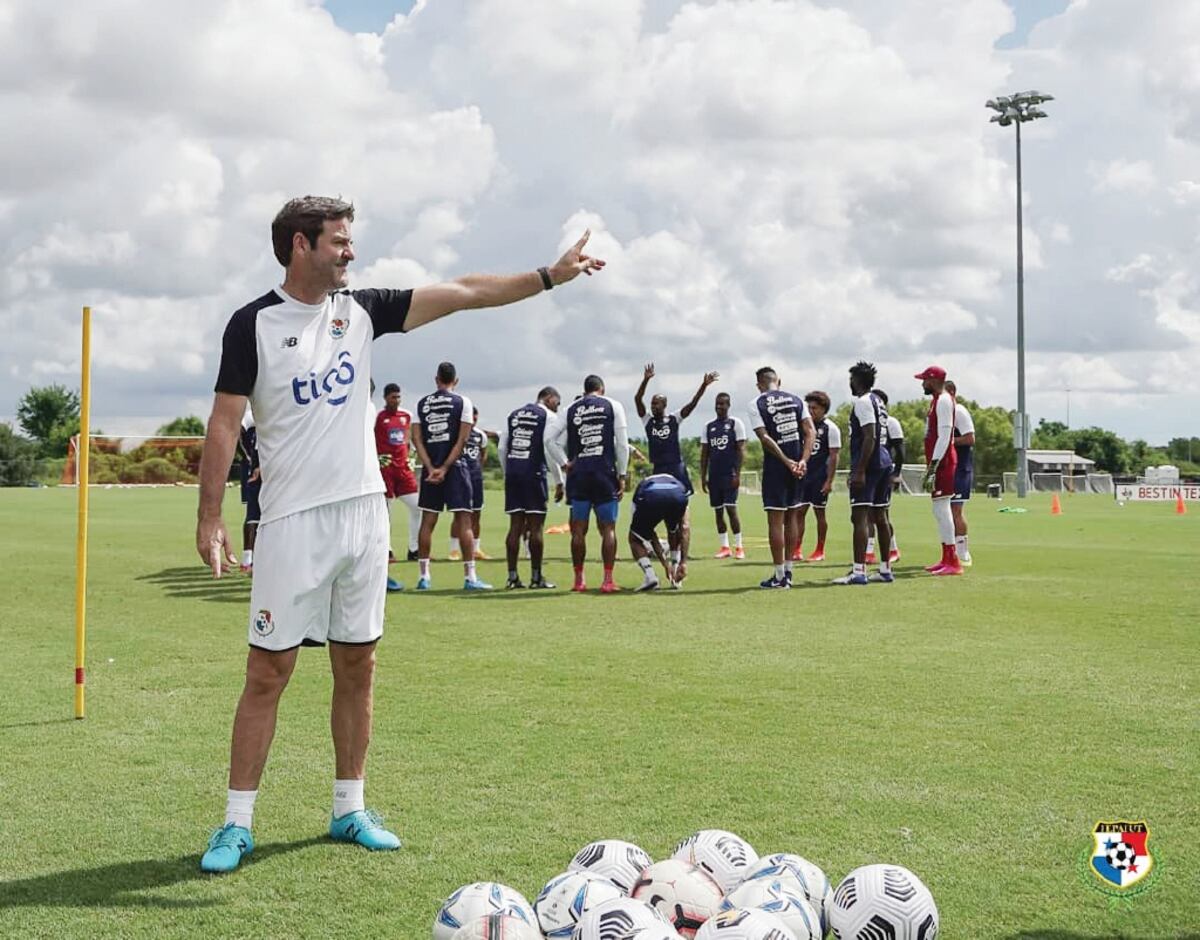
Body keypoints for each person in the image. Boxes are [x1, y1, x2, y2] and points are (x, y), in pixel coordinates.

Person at [194, 195, 604, 873]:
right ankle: (236, 824)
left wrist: (550, 276)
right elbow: (222, 423)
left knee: (359, 665)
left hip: (363, 516)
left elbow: (465, 292)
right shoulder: (253, 325)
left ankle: (349, 808)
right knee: (269, 672)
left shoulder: (363, 309)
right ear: (301, 246)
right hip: (292, 523)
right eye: (339, 242)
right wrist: (210, 517)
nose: (350, 252)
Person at [412, 364, 490, 591]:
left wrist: (430, 467)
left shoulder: (421, 403)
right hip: (456, 468)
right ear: (455, 380)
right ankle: (470, 577)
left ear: (436, 379)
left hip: (430, 469)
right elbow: (463, 439)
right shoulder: (463, 402)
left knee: (428, 521)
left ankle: (424, 577)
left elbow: (416, 439)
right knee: (464, 521)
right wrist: (445, 467)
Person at [549, 374, 630, 593]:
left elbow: (549, 439)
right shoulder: (613, 405)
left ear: (585, 390)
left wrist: (565, 464)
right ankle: (607, 580)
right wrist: (622, 475)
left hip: (579, 476)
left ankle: (579, 580)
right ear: (602, 389)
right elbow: (622, 445)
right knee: (608, 528)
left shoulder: (571, 409)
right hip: (604, 474)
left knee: (578, 530)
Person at [747, 366, 815, 589]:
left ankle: (778, 576)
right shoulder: (797, 400)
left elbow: (764, 438)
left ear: (759, 385)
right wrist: (803, 460)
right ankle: (788, 571)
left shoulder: (756, 403)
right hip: (799, 465)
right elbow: (810, 431)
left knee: (775, 521)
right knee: (792, 517)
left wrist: (786, 462)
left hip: (778, 467)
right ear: (779, 381)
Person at [499, 386, 565, 589]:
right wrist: (559, 481)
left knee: (515, 526)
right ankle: (536, 578)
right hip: (533, 473)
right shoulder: (548, 417)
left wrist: (507, 471)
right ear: (549, 398)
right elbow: (549, 448)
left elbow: (502, 447)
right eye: (557, 402)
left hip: (514, 472)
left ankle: (512, 577)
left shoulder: (514, 414)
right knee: (536, 527)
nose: (558, 407)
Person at [834, 363, 894, 585]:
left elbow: (870, 436)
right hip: (884, 461)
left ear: (857, 380)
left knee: (859, 516)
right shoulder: (878, 401)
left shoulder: (862, 402)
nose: (849, 383)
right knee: (881, 516)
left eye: (851, 379)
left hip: (871, 464)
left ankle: (859, 571)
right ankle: (885, 569)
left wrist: (859, 470)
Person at [633, 362, 718, 493]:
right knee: (659, 499)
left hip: (675, 466)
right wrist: (645, 380)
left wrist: (704, 385)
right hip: (658, 467)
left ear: (664, 404)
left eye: (656, 404)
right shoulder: (647, 420)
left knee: (682, 498)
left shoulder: (674, 419)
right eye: (652, 404)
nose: (653, 406)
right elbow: (638, 399)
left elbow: (693, 403)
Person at [915, 365, 962, 576]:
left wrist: (933, 466)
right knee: (938, 509)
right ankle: (946, 557)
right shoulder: (937, 400)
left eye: (925, 380)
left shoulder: (943, 401)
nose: (923, 384)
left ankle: (953, 560)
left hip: (942, 462)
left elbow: (944, 436)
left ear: (933, 380)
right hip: (938, 460)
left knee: (942, 509)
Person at [374, 383, 420, 563]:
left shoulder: (406, 416)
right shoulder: (378, 417)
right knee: (386, 512)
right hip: (385, 469)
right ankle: (387, 550)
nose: (397, 400)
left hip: (403, 469)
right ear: (386, 398)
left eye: (398, 397)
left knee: (418, 506)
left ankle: (414, 549)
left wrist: (412, 456)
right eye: (393, 397)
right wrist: (375, 459)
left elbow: (412, 438)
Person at [699, 392, 747, 559]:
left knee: (731, 509)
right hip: (714, 476)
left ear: (728, 405)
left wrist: (737, 474)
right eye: (717, 404)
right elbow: (704, 454)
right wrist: (703, 476)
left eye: (723, 404)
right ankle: (724, 546)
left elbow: (741, 450)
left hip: (730, 474)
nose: (719, 407)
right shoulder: (708, 426)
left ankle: (739, 547)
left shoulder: (735, 424)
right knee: (718, 512)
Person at [796, 391, 841, 563]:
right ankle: (797, 548)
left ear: (824, 409)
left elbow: (834, 456)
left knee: (819, 513)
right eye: (809, 407)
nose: (811, 411)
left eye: (814, 408)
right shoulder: (804, 427)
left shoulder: (831, 428)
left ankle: (820, 550)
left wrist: (829, 481)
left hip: (820, 477)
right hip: (803, 477)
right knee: (799, 512)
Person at [628, 473, 692, 591]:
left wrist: (664, 564)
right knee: (674, 530)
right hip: (677, 496)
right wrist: (684, 562)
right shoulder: (678, 484)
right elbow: (685, 527)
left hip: (650, 496)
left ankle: (651, 576)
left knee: (634, 538)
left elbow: (650, 533)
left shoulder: (643, 486)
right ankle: (676, 570)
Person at [449, 407, 491, 561]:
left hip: (476, 479)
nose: (473, 419)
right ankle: (454, 550)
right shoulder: (457, 433)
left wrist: (477, 470)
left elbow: (483, 455)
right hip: (460, 478)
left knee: (476, 513)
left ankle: (476, 549)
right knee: (459, 515)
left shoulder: (481, 435)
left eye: (476, 417)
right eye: (471, 416)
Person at [871, 387, 905, 563]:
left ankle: (893, 549)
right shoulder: (866, 420)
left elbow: (899, 450)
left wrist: (897, 473)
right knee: (866, 512)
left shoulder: (891, 422)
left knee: (882, 512)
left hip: (885, 471)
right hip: (869, 471)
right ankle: (869, 551)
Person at [944, 380, 975, 566]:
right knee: (944, 511)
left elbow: (970, 438)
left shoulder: (960, 412)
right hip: (946, 469)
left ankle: (963, 553)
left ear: (953, 392)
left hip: (960, 469)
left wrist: (948, 441)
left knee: (956, 510)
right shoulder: (941, 413)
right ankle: (949, 552)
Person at [237, 407, 261, 574]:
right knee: (253, 515)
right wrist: (248, 457)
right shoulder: (251, 415)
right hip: (256, 468)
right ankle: (248, 561)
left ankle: (257, 560)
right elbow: (235, 431)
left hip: (266, 466)